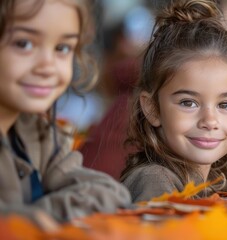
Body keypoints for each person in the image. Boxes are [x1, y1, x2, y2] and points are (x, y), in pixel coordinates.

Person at [0, 0, 131, 222]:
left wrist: (40, 215)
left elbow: (109, 192)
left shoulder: (38, 135)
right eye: (24, 43)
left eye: (62, 48)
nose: (47, 66)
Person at [120, 0, 227, 202]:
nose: (209, 120)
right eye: (188, 103)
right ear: (152, 108)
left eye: (225, 105)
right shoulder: (154, 182)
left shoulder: (216, 182)